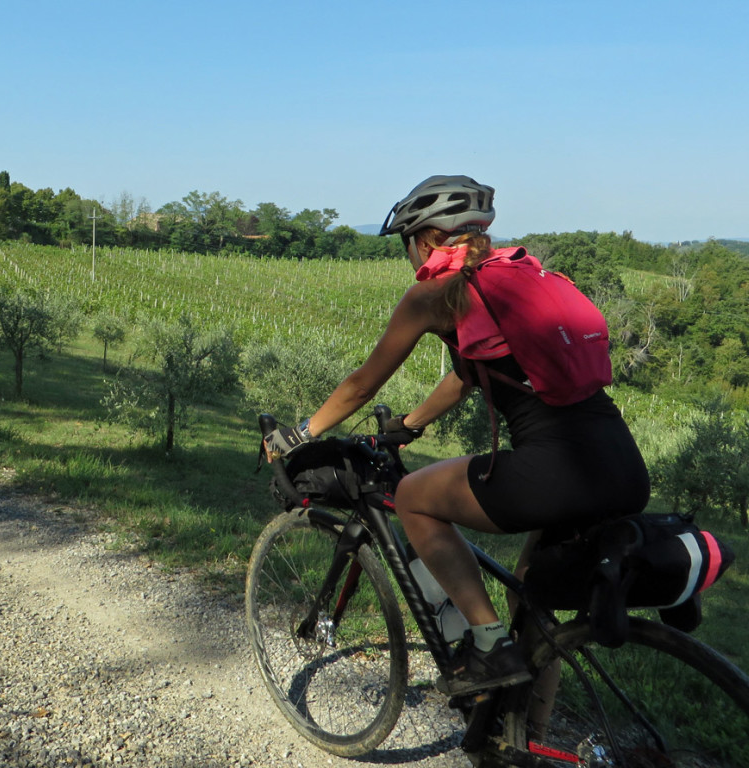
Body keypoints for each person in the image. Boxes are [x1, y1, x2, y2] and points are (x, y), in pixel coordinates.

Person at [264, 175, 651, 697]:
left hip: (557, 470)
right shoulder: (512, 278)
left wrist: (298, 434)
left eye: (409, 243)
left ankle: (488, 643)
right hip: (621, 464)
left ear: (424, 240)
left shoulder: (433, 293)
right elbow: (468, 375)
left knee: (413, 498)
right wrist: (409, 425)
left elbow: (360, 386)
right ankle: (519, 735)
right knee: (532, 600)